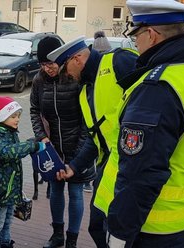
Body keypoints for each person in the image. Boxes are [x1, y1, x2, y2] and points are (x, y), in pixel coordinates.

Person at [91, 0, 184, 247]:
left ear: (151, 35)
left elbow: (140, 174)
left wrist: (120, 233)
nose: (135, 44)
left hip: (149, 226)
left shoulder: (157, 89)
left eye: (136, 37)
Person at [47, 35, 139, 247]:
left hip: (133, 165)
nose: (67, 75)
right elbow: (94, 136)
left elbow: (152, 98)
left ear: (77, 59)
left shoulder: (119, 61)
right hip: (108, 167)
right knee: (97, 226)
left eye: (66, 69)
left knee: (122, 231)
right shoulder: (85, 92)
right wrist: (75, 166)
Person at [30, 36, 95, 248]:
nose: (47, 69)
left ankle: (72, 240)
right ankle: (57, 234)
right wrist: (42, 137)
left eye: (51, 63)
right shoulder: (39, 81)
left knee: (76, 194)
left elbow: (88, 121)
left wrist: (78, 156)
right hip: (53, 148)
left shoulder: (75, 77)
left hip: (78, 147)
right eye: (43, 64)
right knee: (56, 191)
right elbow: (34, 111)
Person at [0, 94, 45, 248]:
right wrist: (31, 146)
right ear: (1, 117)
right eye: (13, 116)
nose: (17, 119)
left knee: (8, 222)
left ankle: (5, 242)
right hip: (1, 192)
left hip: (10, 191)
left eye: (18, 116)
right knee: (0, 222)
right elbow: (7, 152)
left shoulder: (9, 132)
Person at [82, 30, 113, 194]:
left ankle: (89, 179)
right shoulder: (85, 89)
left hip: (113, 157)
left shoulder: (114, 63)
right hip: (105, 155)